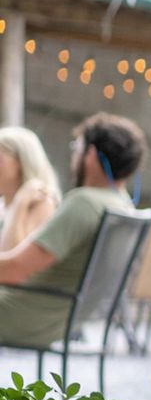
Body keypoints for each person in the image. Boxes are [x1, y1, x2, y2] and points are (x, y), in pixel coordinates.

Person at [0, 115, 143, 347]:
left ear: (91, 155)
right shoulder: (123, 204)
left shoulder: (84, 203)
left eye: (77, 148)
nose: (73, 157)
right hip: (65, 317)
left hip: (27, 314)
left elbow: (15, 270)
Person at [0, 126, 61, 253]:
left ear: (21, 162)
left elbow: (13, 260)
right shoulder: (2, 203)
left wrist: (19, 204)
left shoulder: (43, 204)